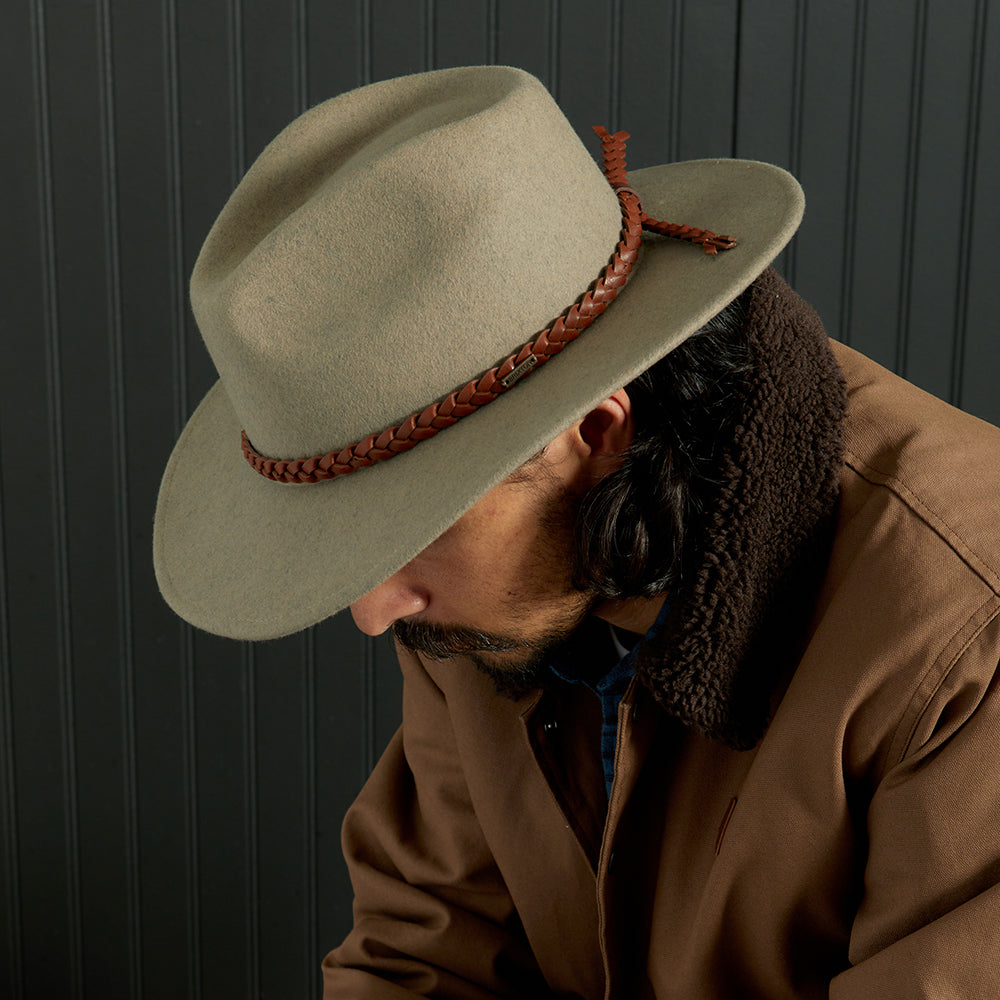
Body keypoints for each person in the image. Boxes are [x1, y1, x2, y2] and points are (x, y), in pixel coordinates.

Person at [154, 66, 1000, 998]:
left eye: (408, 526)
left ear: (595, 434)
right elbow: (425, 948)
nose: (372, 610)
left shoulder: (965, 630)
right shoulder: (479, 600)